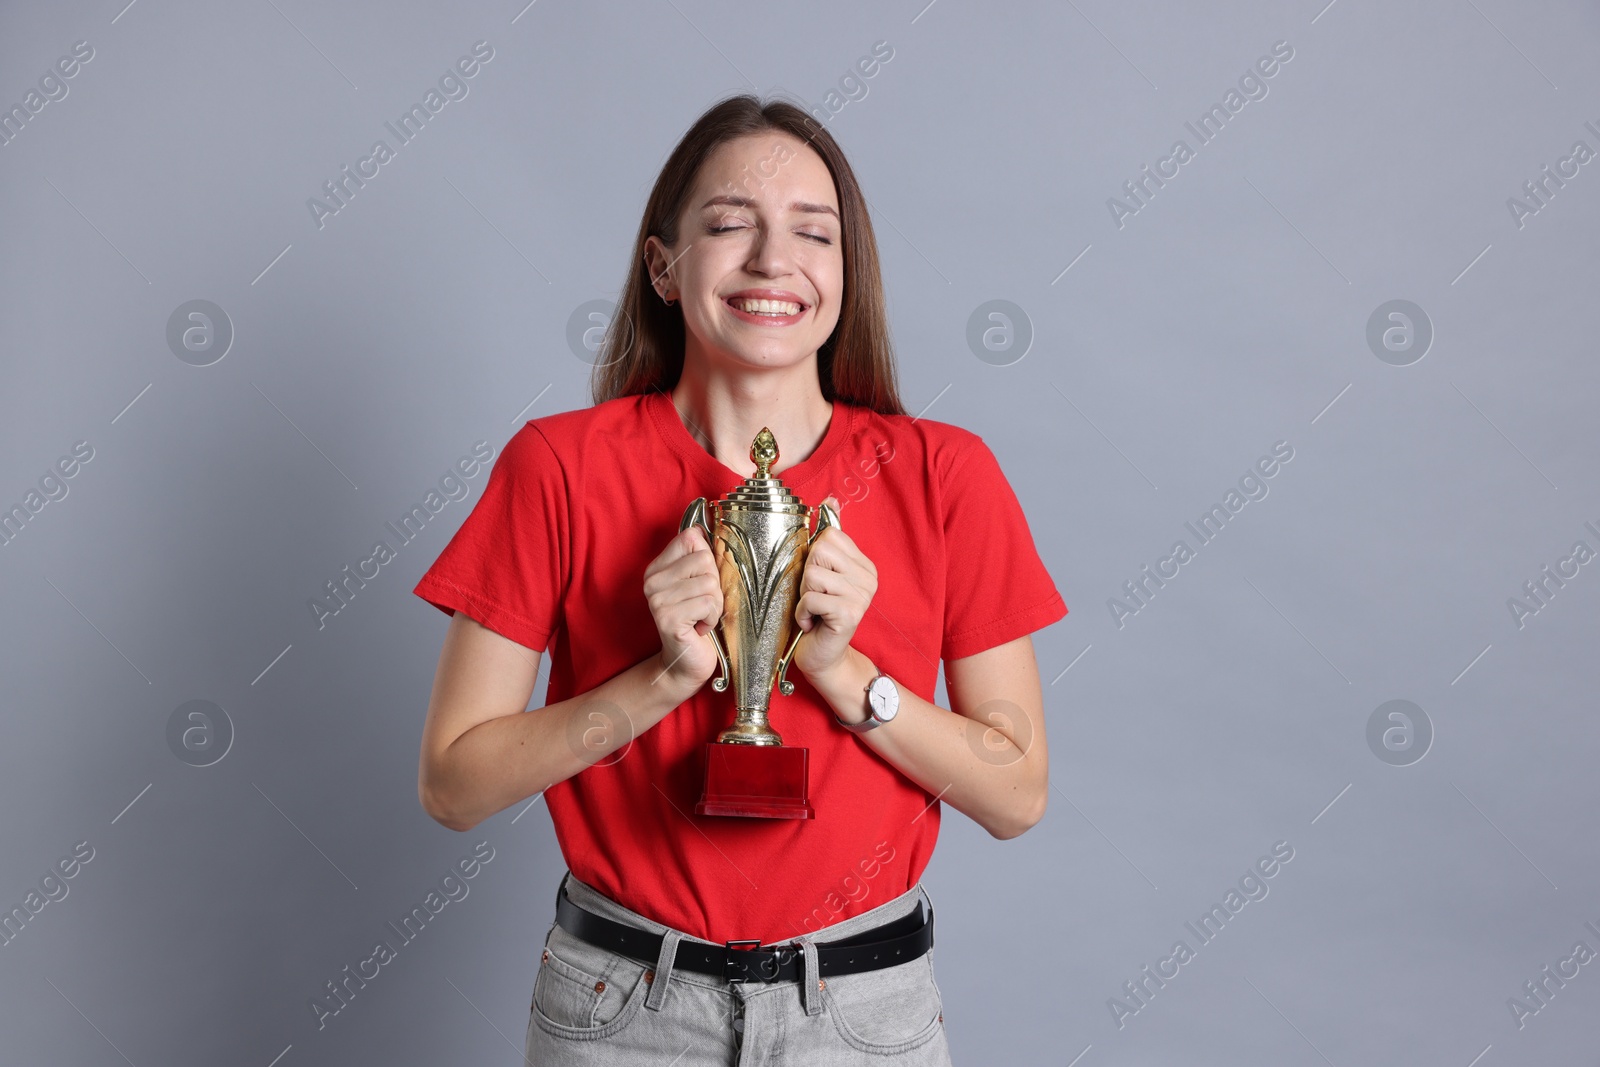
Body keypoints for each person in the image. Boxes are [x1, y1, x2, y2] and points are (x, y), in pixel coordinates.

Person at [412, 94, 1067, 1065]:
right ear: (662, 267)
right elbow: (454, 784)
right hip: (621, 1010)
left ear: (847, 274)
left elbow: (1015, 795)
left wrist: (847, 675)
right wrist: (661, 679)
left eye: (813, 232)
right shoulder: (558, 466)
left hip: (862, 1015)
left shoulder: (943, 473)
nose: (772, 260)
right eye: (728, 225)